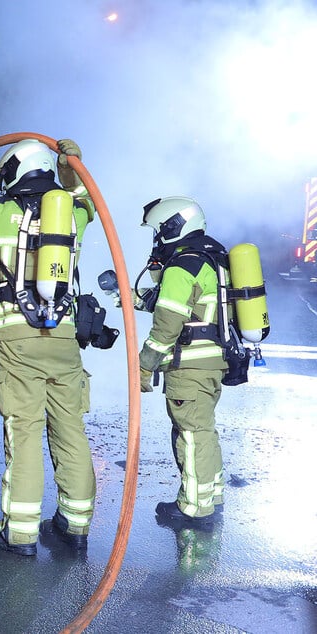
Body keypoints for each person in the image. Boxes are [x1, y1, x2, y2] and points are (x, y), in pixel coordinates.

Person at [0, 138, 97, 556]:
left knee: (24, 431)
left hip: (17, 340)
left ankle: (20, 534)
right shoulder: (72, 219)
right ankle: (75, 525)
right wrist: (72, 166)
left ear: (13, 170)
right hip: (64, 338)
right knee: (70, 429)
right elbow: (87, 200)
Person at [135, 196, 227, 530]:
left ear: (173, 227)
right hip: (213, 363)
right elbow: (192, 307)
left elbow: (167, 325)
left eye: (159, 231)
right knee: (203, 431)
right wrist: (133, 298)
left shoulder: (182, 264)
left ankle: (194, 509)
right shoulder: (212, 258)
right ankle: (210, 496)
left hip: (188, 366)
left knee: (189, 433)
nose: (157, 239)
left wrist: (145, 364)